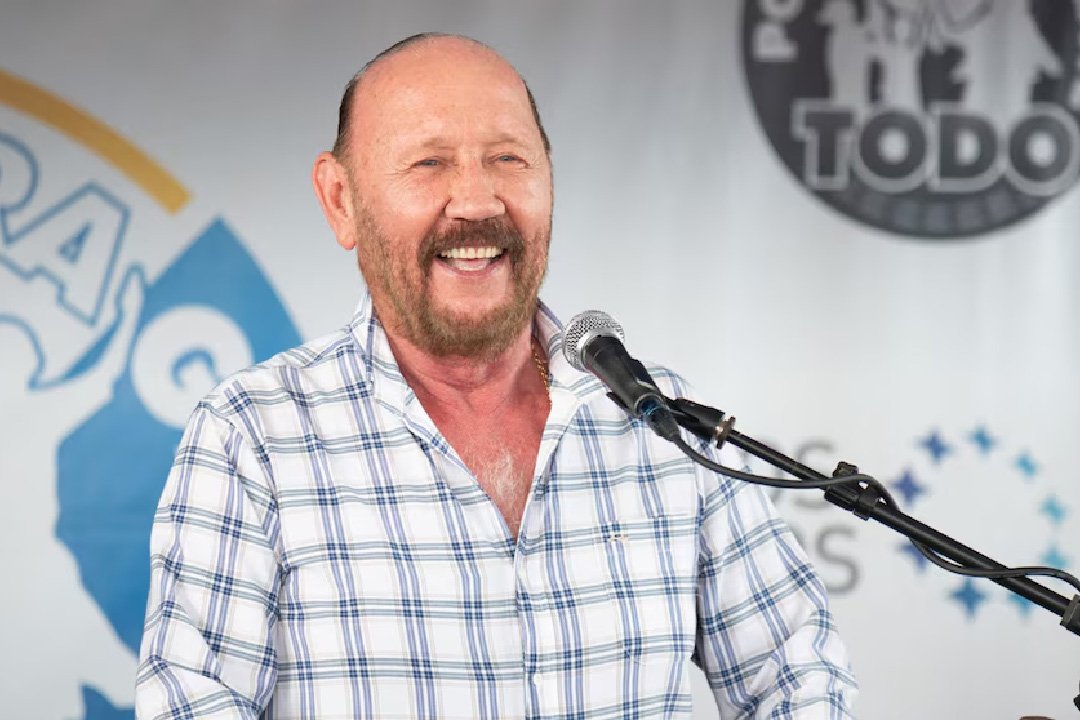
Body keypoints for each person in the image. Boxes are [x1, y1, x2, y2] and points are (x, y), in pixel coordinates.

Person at [136, 32, 857, 719]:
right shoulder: (253, 437)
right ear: (341, 200)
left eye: (509, 159)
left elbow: (795, 671)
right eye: (429, 163)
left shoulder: (659, 419)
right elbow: (191, 703)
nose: (478, 202)